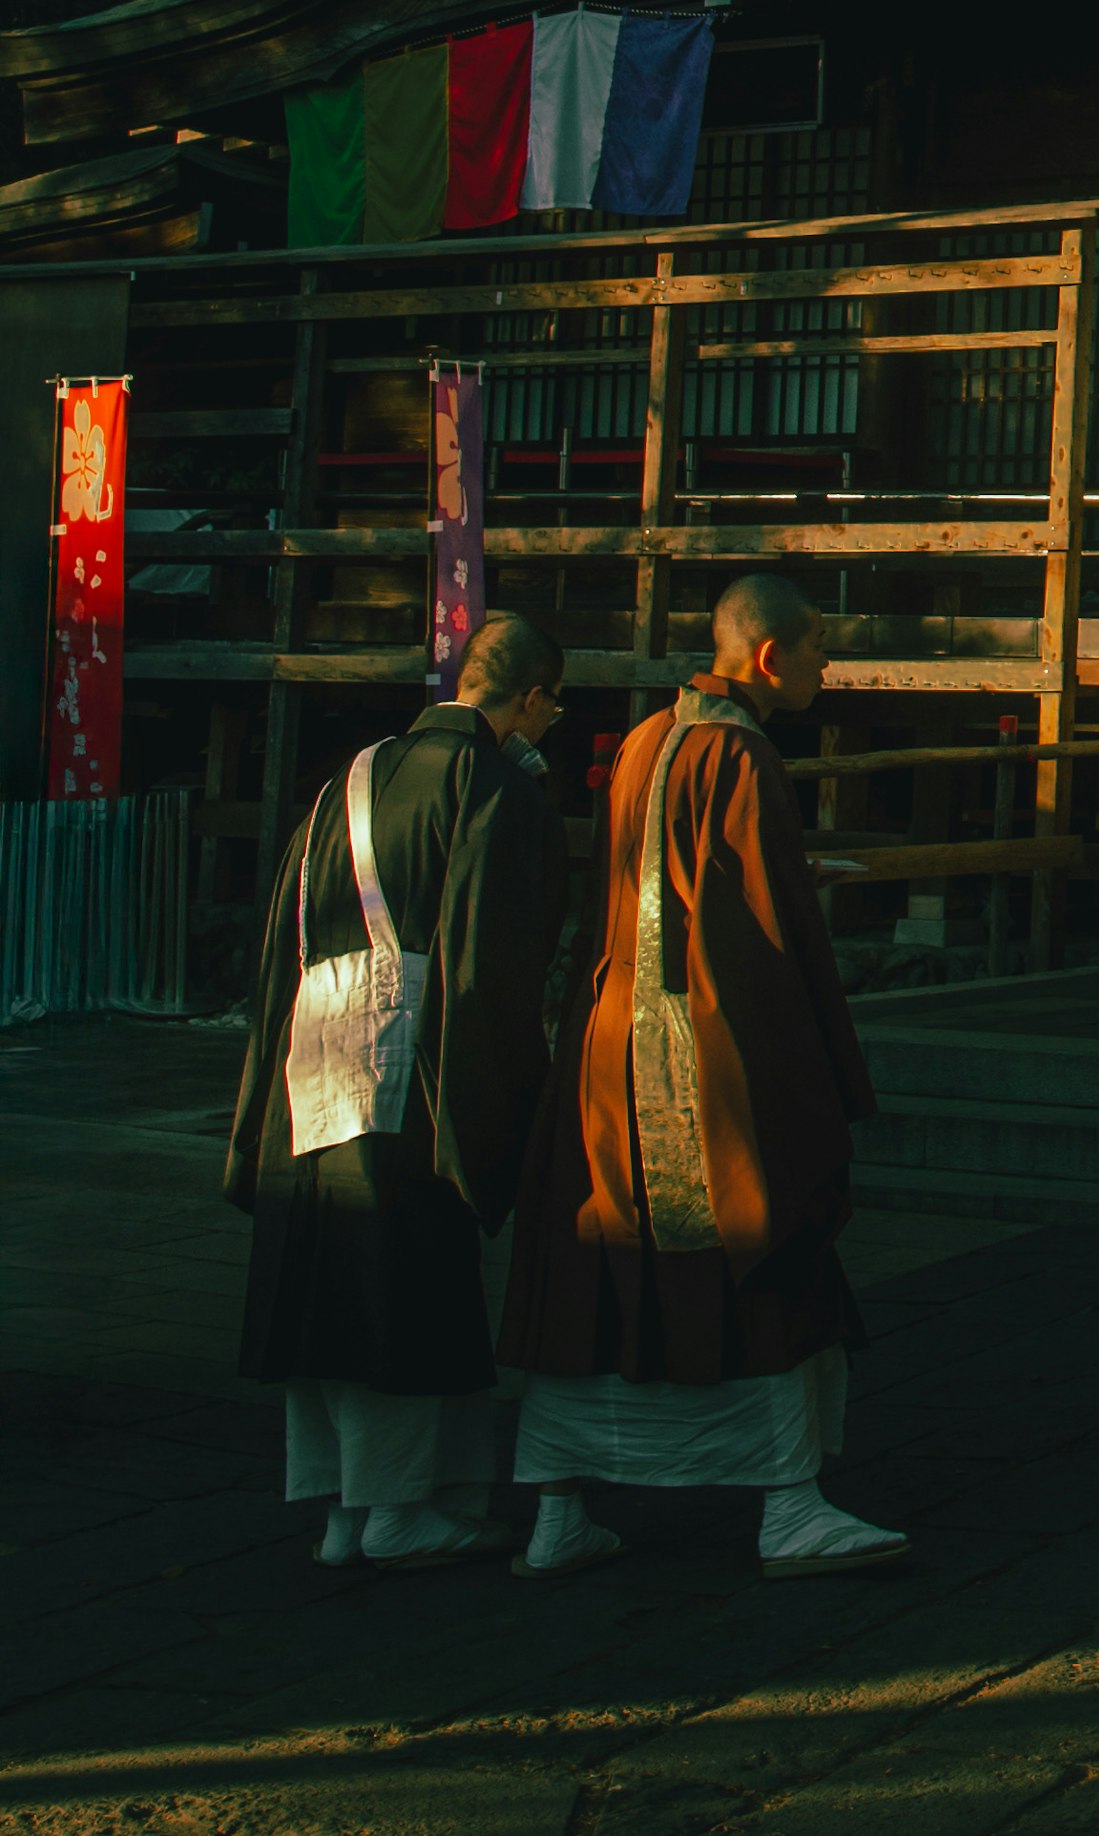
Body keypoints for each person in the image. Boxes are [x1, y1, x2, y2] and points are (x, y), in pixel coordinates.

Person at [502, 566, 902, 1580]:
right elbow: (763, 931)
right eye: (818, 648)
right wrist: (819, 1067)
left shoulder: (647, 739)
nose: (825, 665)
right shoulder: (742, 755)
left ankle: (557, 1506)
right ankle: (789, 1503)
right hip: (713, 1044)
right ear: (769, 655)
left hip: (615, 1040)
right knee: (758, 1236)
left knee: (600, 1263)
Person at [226, 612, 569, 1571]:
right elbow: (492, 966)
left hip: (312, 1046)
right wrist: (506, 1108)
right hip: (416, 1059)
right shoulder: (489, 783)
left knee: (325, 1274)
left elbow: (280, 932)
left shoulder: (354, 771)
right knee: (403, 1276)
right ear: (533, 697)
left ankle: (342, 1509)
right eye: (551, 709)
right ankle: (400, 1508)